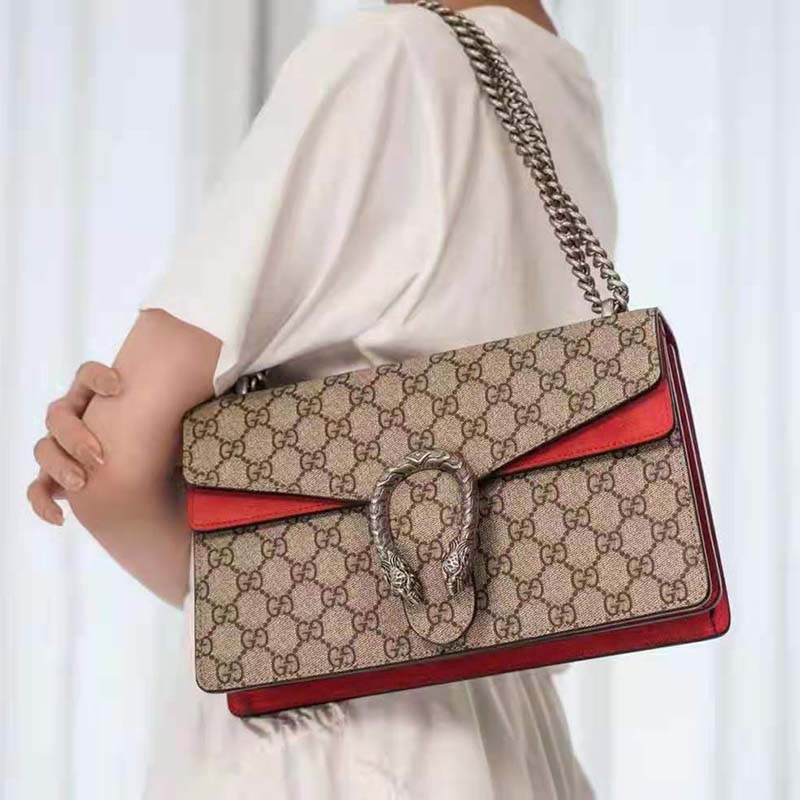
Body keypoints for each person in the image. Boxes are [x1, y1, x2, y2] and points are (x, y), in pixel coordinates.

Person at [28, 1, 616, 796]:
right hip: (509, 738)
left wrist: (121, 439)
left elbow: (111, 466)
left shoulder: (385, 59)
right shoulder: (558, 84)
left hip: (332, 728)